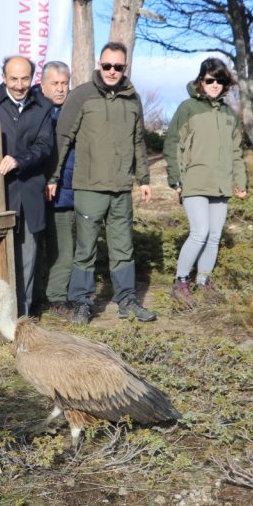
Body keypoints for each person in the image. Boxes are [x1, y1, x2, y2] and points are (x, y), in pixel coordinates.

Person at [53, 41, 155, 324]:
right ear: (99, 64)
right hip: (89, 187)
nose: (112, 71)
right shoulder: (81, 95)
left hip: (121, 188)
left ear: (125, 67)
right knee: (85, 249)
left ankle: (127, 300)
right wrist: (53, 176)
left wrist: (144, 179)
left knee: (123, 248)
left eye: (117, 67)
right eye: (107, 65)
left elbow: (138, 141)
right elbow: (63, 138)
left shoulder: (133, 99)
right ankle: (81, 303)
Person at [0, 56, 54, 317]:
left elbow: (45, 146)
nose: (20, 85)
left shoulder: (43, 105)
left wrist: (19, 160)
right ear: (3, 77)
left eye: (25, 79)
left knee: (27, 259)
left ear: (33, 78)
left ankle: (22, 319)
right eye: (14, 79)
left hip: (29, 192)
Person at [163, 58, 247, 306]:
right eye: (210, 80)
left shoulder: (229, 114)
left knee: (214, 235)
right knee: (200, 232)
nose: (215, 85)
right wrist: (175, 178)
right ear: (201, 81)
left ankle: (203, 281)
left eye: (220, 80)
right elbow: (173, 143)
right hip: (195, 181)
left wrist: (240, 181)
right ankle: (180, 282)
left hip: (220, 184)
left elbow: (236, 151)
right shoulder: (188, 108)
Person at [39, 61, 77, 318]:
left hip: (64, 191)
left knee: (63, 249)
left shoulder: (74, 110)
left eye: (64, 83)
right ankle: (33, 297)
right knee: (33, 250)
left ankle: (56, 298)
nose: (60, 89)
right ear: (43, 85)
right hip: (33, 192)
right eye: (55, 83)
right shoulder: (32, 110)